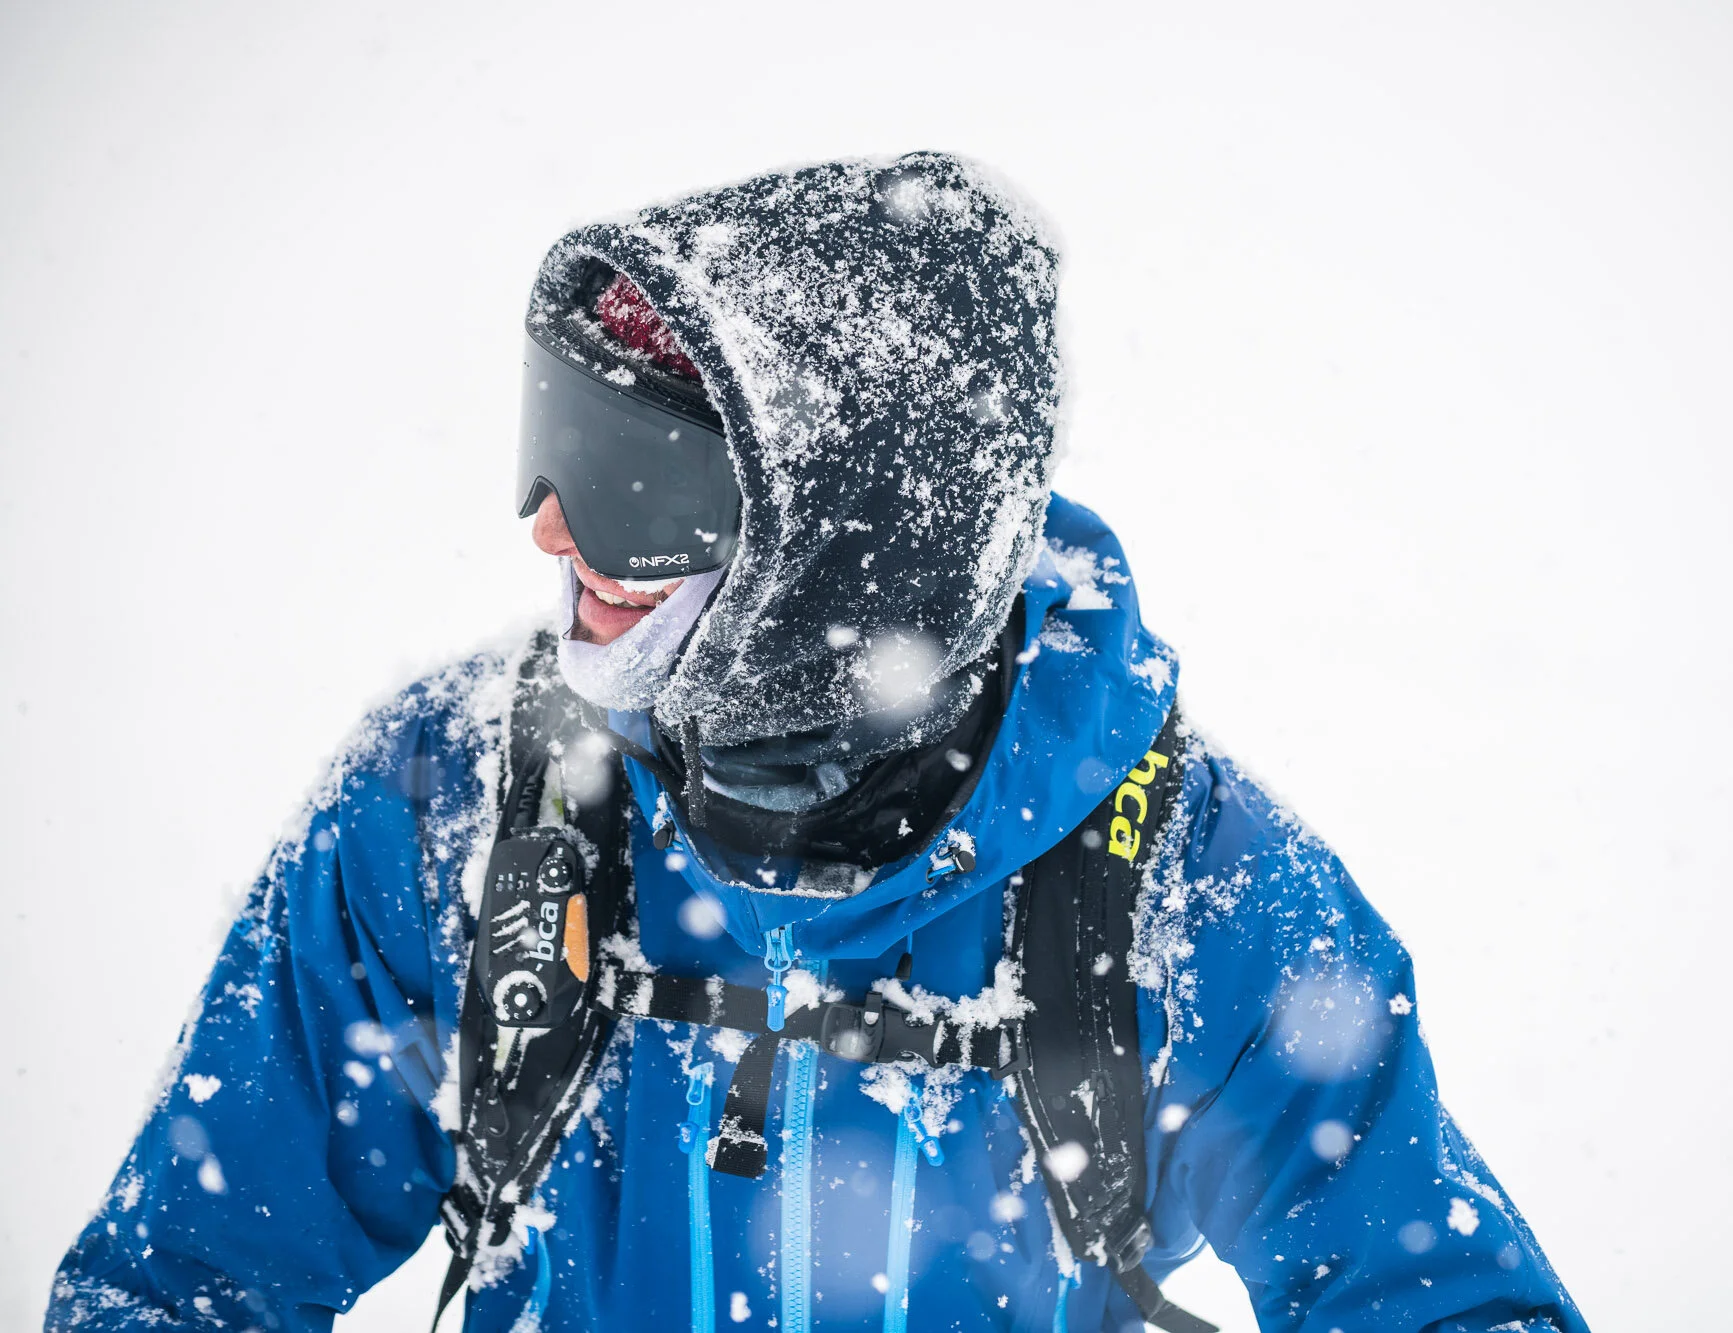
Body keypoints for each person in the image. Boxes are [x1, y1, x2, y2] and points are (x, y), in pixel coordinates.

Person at [46, 153, 1588, 1333]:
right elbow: (181, 1278)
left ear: (841, 555)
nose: (551, 535)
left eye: (634, 488)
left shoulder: (1189, 895)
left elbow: (1444, 1298)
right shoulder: (452, 810)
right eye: (551, 446)